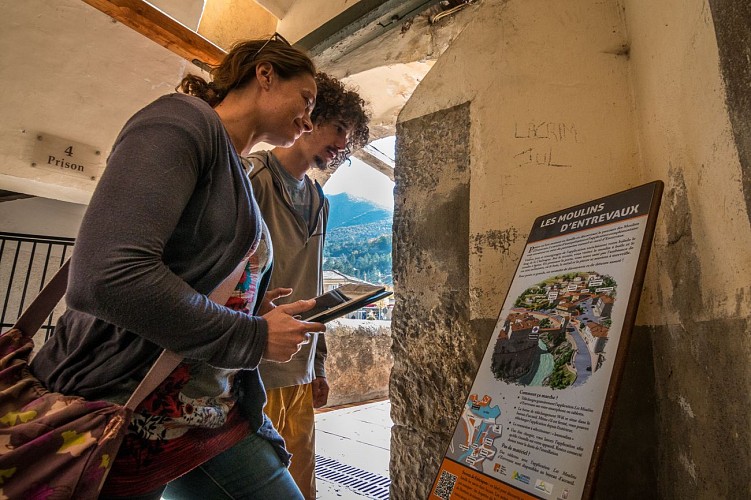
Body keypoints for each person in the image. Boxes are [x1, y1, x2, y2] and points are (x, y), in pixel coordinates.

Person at [29, 35, 326, 500]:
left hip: (212, 411)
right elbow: (106, 276)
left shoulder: (237, 169)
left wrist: (247, 300)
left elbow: (190, 268)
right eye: (306, 98)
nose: (309, 120)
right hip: (122, 408)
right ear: (265, 74)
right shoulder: (180, 122)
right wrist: (254, 337)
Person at [247, 72, 369, 499]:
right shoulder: (252, 177)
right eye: (337, 133)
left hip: (298, 369)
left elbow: (313, 285)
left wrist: (318, 365)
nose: (340, 148)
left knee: (300, 484)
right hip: (250, 364)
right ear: (308, 118)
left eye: (347, 144)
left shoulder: (320, 202)